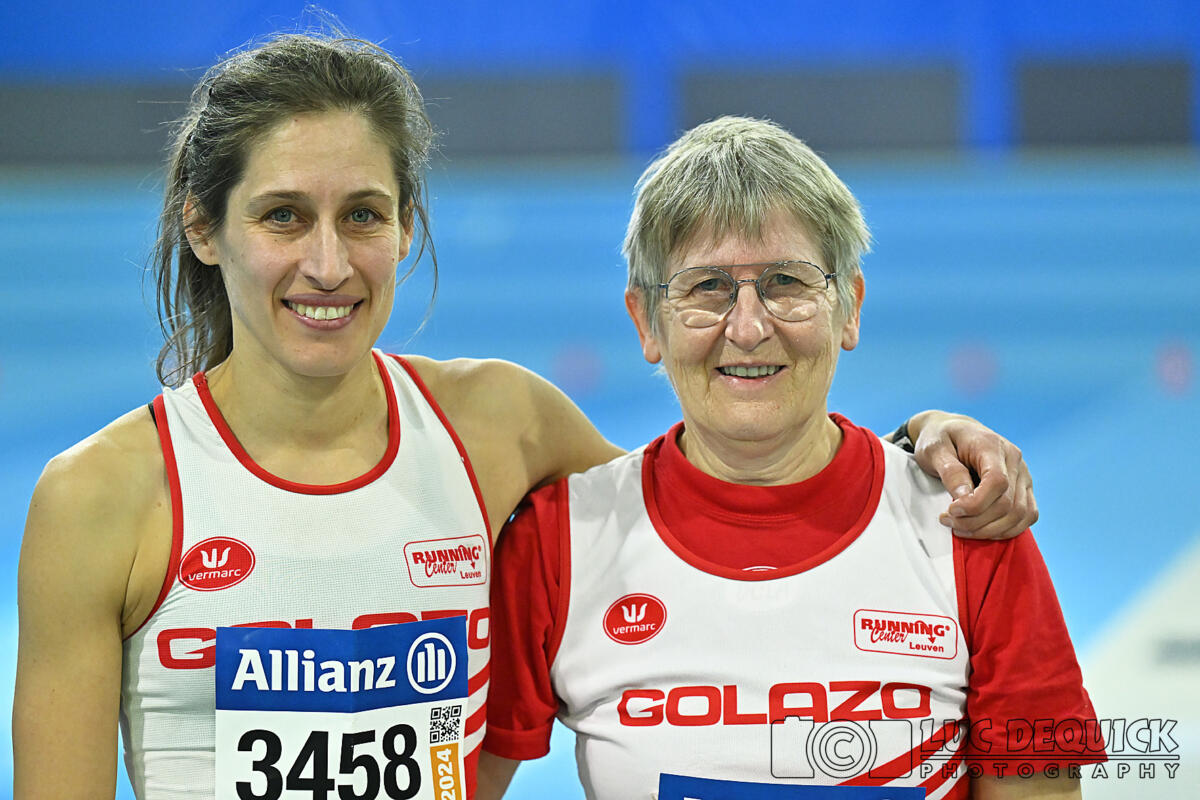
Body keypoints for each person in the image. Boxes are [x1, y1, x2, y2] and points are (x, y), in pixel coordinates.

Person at [13, 33, 1037, 800]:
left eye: (362, 214)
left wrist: (918, 450)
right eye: (285, 215)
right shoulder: (105, 496)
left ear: (405, 226)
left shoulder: (496, 426)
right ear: (204, 225)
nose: (328, 264)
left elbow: (720, 494)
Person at [479, 116, 1106, 799]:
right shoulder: (557, 544)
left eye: (786, 281)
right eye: (707, 287)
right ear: (645, 323)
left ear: (849, 308)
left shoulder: (970, 526)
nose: (748, 328)